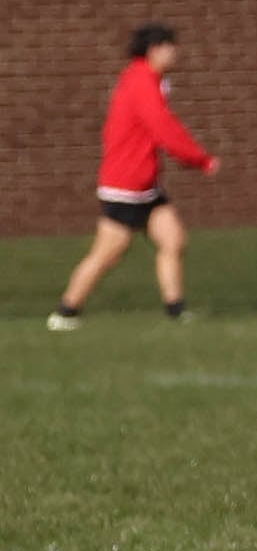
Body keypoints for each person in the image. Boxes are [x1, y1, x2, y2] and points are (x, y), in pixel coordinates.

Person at [47, 23, 220, 331]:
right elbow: (163, 127)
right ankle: (66, 312)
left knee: (173, 239)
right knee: (107, 254)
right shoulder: (141, 82)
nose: (174, 52)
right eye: (169, 46)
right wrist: (200, 160)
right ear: (154, 50)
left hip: (145, 185)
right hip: (125, 186)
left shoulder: (148, 79)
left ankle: (175, 311)